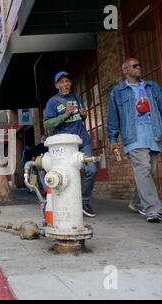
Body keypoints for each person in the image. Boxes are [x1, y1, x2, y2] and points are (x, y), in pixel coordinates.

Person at [107, 58, 162, 223]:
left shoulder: (153, 87)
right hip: (134, 136)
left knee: (148, 172)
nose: (139, 68)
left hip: (154, 134)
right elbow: (113, 118)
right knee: (143, 169)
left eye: (140, 65)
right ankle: (153, 209)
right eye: (135, 66)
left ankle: (136, 202)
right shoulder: (118, 92)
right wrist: (112, 139)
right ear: (125, 70)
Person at [43, 71, 98, 217]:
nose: (65, 84)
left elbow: (80, 118)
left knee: (91, 170)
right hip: (65, 144)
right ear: (56, 85)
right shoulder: (52, 102)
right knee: (66, 174)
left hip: (82, 140)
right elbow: (48, 124)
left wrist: (84, 115)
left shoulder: (77, 97)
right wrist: (65, 115)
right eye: (61, 82)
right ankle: (66, 204)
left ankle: (84, 201)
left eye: (67, 81)